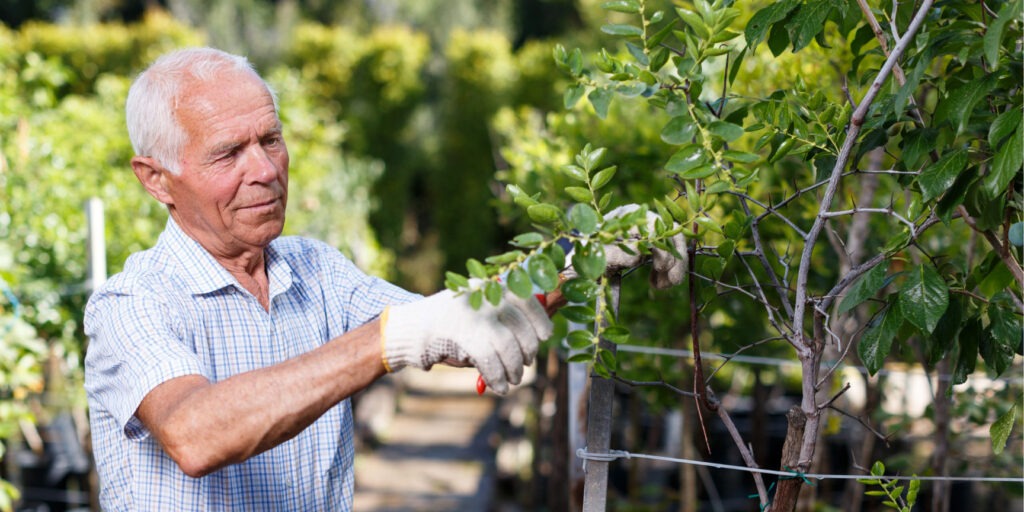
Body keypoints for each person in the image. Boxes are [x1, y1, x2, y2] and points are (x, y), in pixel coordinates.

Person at [84, 47, 685, 511]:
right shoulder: (131, 303)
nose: (265, 170)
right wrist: (388, 338)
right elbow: (194, 434)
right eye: (228, 154)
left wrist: (585, 252)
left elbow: (466, 319)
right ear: (156, 178)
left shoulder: (315, 271)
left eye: (271, 139)